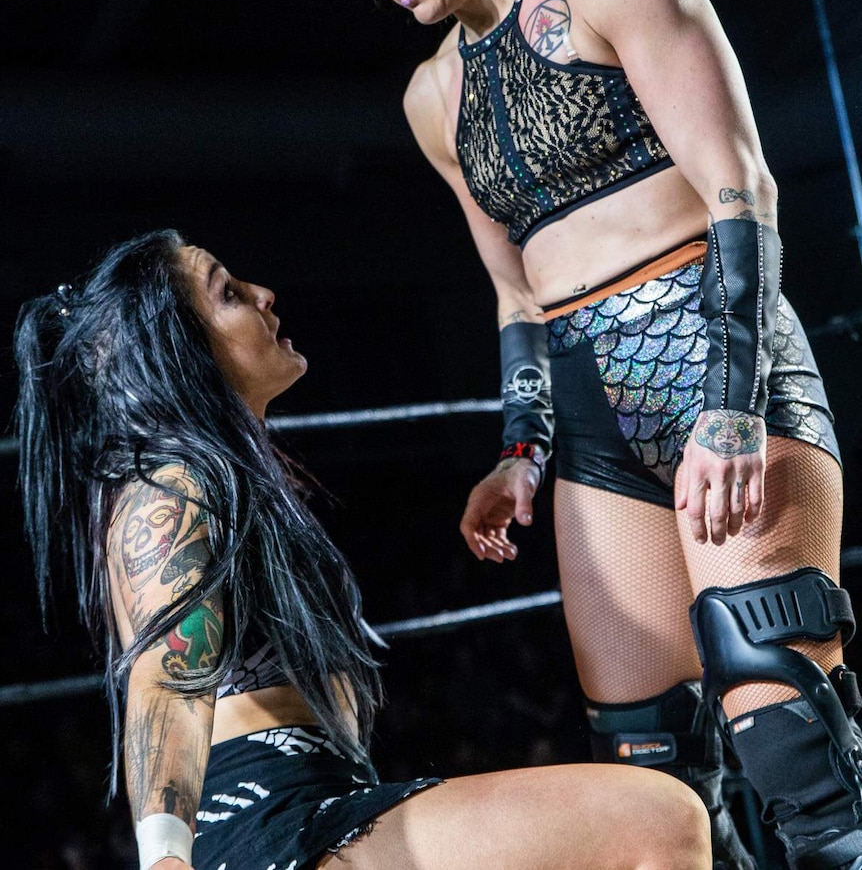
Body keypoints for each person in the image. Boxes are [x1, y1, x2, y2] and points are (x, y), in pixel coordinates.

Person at [297, 0, 862, 870]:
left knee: (782, 716)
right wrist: (520, 450)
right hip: (593, 423)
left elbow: (740, 184)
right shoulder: (431, 98)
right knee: (648, 769)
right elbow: (515, 291)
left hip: (714, 353)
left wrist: (731, 407)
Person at [14, 229, 710, 870]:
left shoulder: (231, 480)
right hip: (267, 823)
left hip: (324, 798)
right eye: (227, 293)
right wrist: (164, 857)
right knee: (657, 818)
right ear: (181, 353)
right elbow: (166, 677)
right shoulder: (167, 489)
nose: (264, 295)